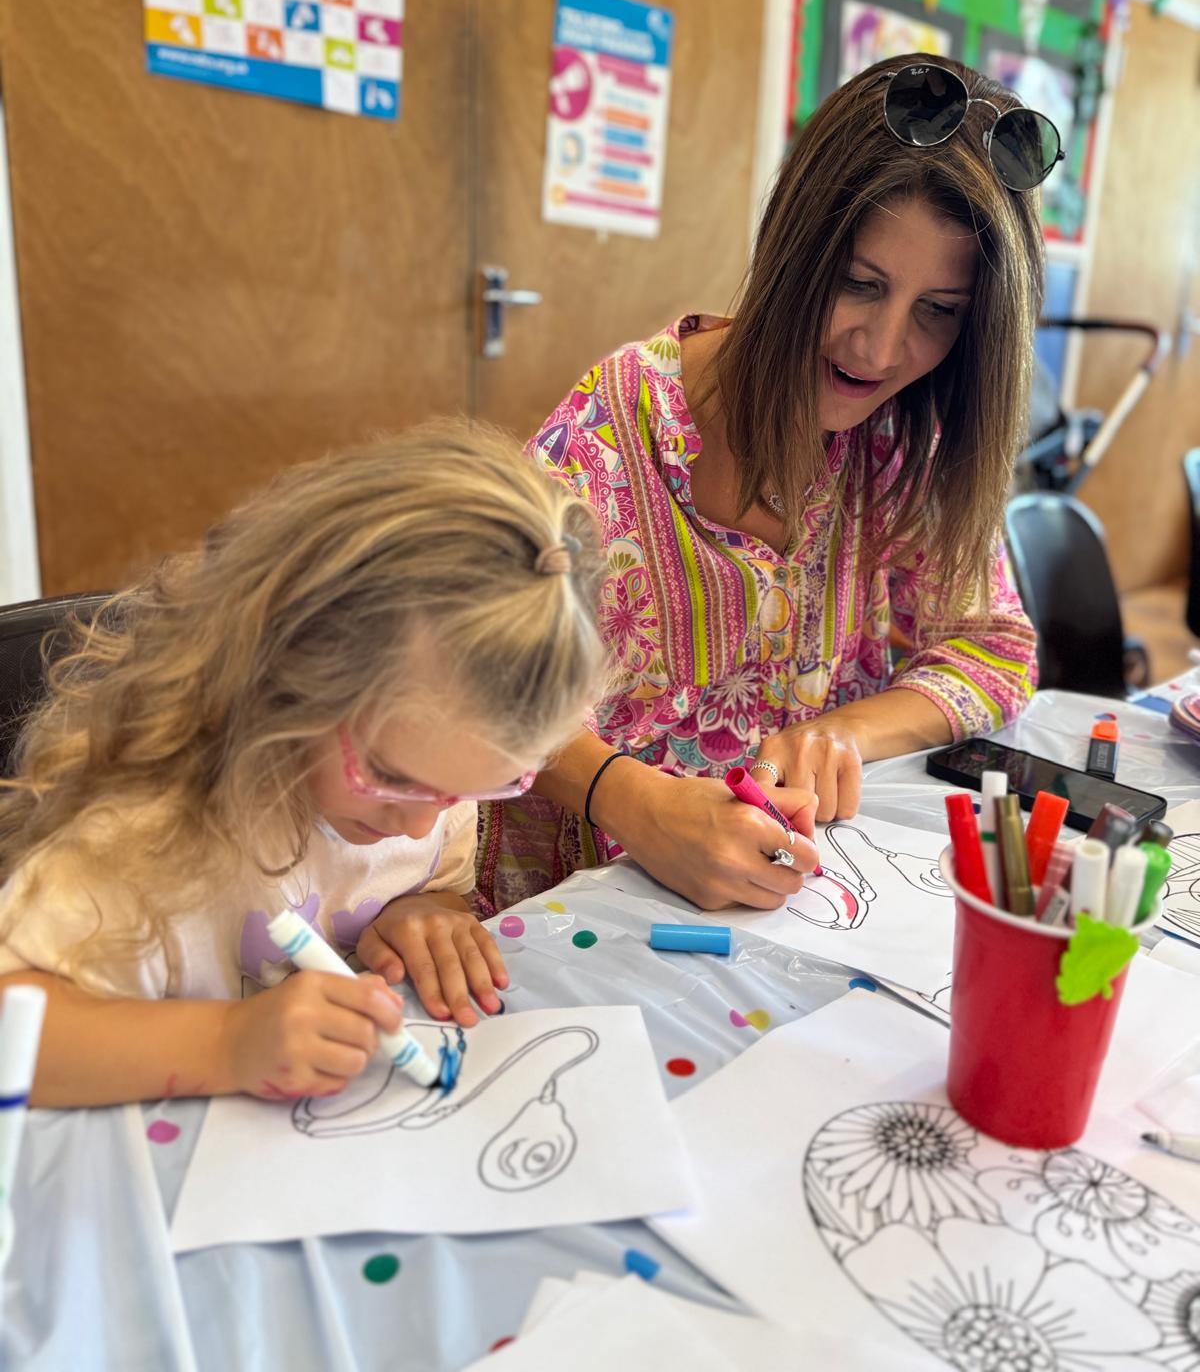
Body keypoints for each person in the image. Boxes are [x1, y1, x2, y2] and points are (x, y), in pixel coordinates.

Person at [478, 56, 1046, 917]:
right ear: (792, 250)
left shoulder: (902, 443)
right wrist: (633, 801)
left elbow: (994, 647)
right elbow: (478, 678)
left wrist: (843, 732)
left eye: (939, 311)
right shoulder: (615, 429)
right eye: (858, 284)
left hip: (794, 913)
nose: (880, 349)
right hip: (582, 914)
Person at [0, 424, 606, 1107]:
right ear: (282, 671)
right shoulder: (143, 830)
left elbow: (431, 880)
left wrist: (421, 911)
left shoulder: (429, 775)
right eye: (391, 776)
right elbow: (13, 1032)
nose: (418, 827)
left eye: (472, 790)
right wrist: (225, 1044)